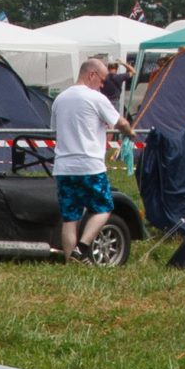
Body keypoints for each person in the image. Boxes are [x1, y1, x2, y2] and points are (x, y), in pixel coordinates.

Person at [51, 57, 131, 262]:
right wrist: (130, 133)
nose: (103, 85)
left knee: (70, 218)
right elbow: (119, 122)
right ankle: (83, 246)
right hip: (90, 165)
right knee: (104, 208)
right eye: (102, 80)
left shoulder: (60, 99)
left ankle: (71, 261)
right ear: (92, 74)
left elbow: (54, 129)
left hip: (64, 167)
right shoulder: (96, 98)